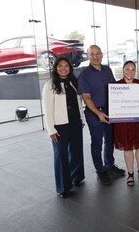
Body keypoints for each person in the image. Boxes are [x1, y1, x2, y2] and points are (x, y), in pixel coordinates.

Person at [78, 45, 125, 185]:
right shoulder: (84, 75)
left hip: (110, 111)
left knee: (110, 140)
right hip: (94, 113)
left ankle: (110, 165)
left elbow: (115, 89)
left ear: (102, 54)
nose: (96, 56)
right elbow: (86, 97)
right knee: (97, 142)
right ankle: (100, 171)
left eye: (98, 53)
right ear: (88, 56)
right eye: (92, 54)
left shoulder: (107, 70)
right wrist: (98, 113)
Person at [42, 57, 85, 198]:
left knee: (77, 148)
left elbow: (79, 102)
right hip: (59, 122)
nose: (64, 68)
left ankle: (76, 177)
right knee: (61, 154)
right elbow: (47, 109)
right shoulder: (50, 85)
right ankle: (63, 187)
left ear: (70, 68)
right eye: (60, 66)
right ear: (55, 68)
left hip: (74, 118)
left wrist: (81, 119)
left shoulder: (73, 82)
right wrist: (51, 129)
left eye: (66, 66)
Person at [114, 61, 139, 186]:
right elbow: (115, 107)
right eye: (127, 69)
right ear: (123, 71)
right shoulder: (116, 86)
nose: (130, 72)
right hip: (124, 124)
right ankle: (130, 174)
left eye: (133, 69)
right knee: (128, 148)